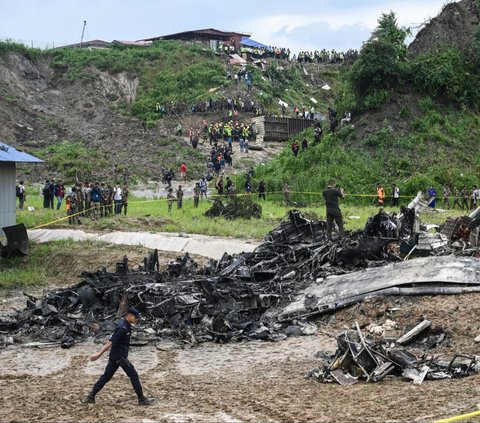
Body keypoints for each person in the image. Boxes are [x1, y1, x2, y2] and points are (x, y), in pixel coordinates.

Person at [82, 307, 154, 406]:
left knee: (106, 377)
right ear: (130, 316)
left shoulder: (127, 325)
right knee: (133, 375)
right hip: (119, 357)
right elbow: (110, 342)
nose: (137, 320)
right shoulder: (122, 328)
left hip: (115, 356)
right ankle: (141, 399)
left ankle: (90, 397)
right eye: (136, 318)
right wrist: (99, 354)